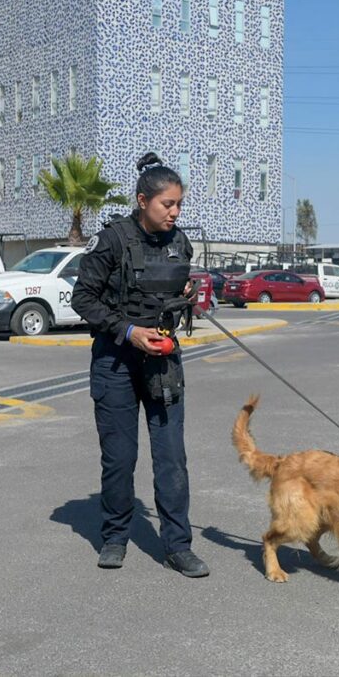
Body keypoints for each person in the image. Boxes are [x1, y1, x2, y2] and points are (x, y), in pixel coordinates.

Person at [71, 152, 208, 578]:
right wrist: (129, 332)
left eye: (179, 204)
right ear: (143, 200)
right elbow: (83, 299)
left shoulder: (180, 242)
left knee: (171, 458)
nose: (175, 212)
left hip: (163, 361)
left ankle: (178, 545)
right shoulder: (111, 239)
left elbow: (192, 295)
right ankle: (114, 536)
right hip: (115, 361)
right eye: (168, 204)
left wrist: (192, 295)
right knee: (119, 457)